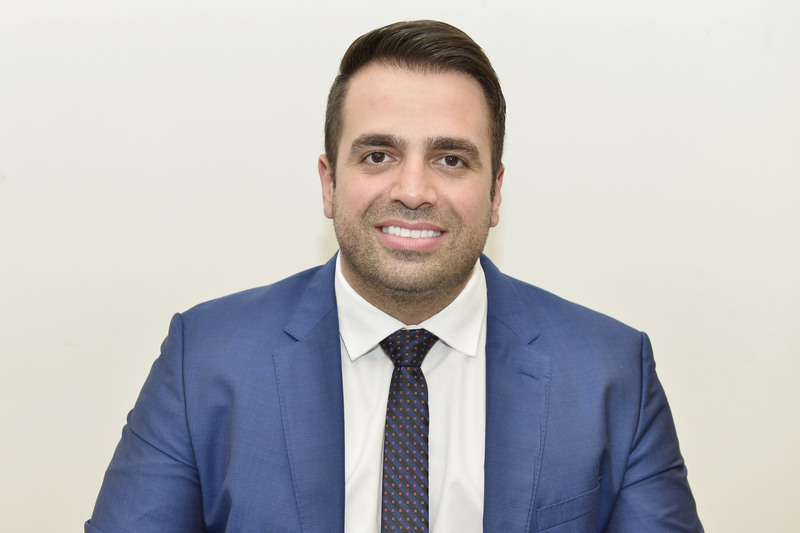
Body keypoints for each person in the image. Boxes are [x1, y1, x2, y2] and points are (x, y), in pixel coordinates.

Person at [86, 20, 702, 533]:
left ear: (495, 193)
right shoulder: (204, 359)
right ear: (329, 184)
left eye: (451, 159)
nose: (412, 190)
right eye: (378, 155)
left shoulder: (612, 373)